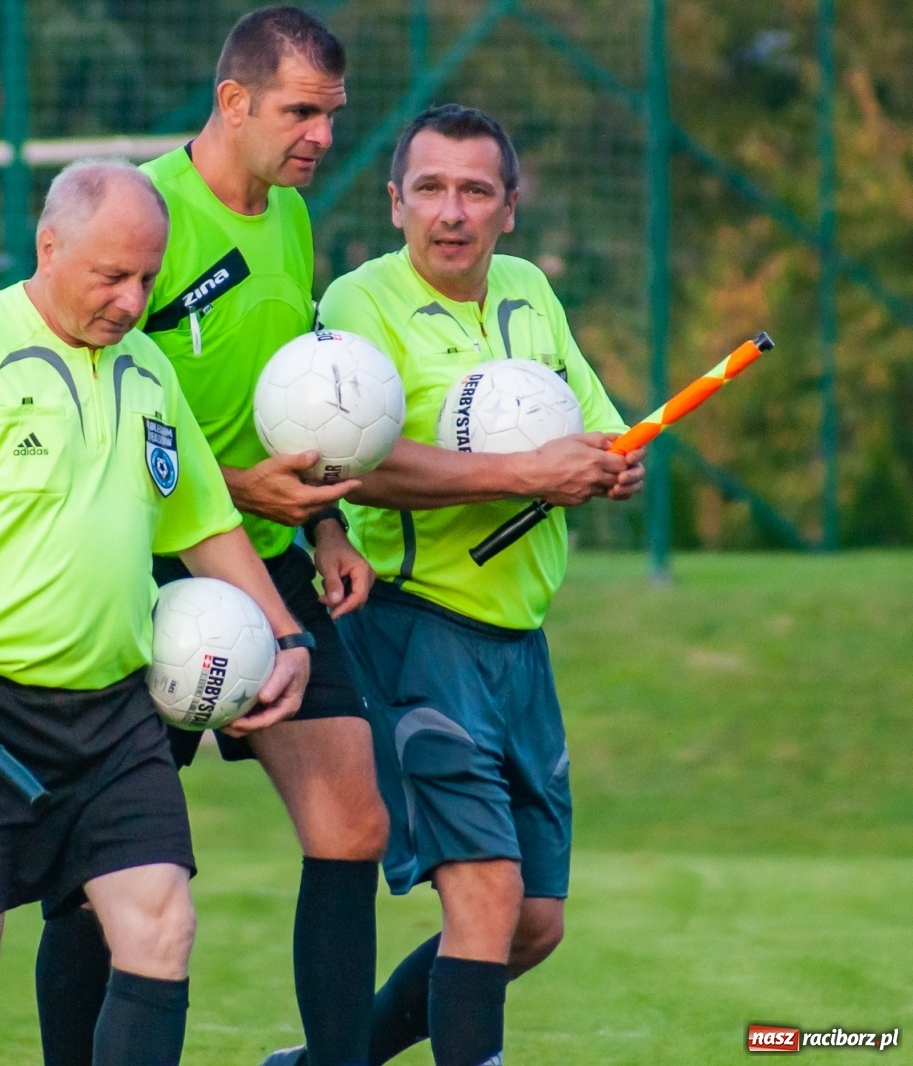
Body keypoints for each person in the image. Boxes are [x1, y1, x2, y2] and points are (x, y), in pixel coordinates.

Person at [0, 159, 314, 1066]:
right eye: (110, 276)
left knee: (159, 926)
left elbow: (206, 523)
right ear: (50, 247)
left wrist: (287, 634)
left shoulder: (149, 369)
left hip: (117, 711)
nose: (131, 299)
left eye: (148, 278)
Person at [32, 11, 388, 1066]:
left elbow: (288, 408)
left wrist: (319, 520)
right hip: (140, 569)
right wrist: (238, 490)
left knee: (352, 824)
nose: (321, 136)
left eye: (331, 114)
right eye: (300, 112)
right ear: (232, 101)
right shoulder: (141, 213)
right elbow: (90, 426)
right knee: (111, 882)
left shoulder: (285, 217)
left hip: (262, 559)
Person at [315, 104, 646, 1066]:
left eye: (473, 191)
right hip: (416, 629)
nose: (450, 212)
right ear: (394, 203)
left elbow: (595, 424)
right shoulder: (357, 306)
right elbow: (347, 466)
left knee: (535, 921)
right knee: (487, 896)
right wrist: (528, 474)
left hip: (520, 638)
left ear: (511, 207)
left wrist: (615, 462)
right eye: (429, 189)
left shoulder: (531, 292)